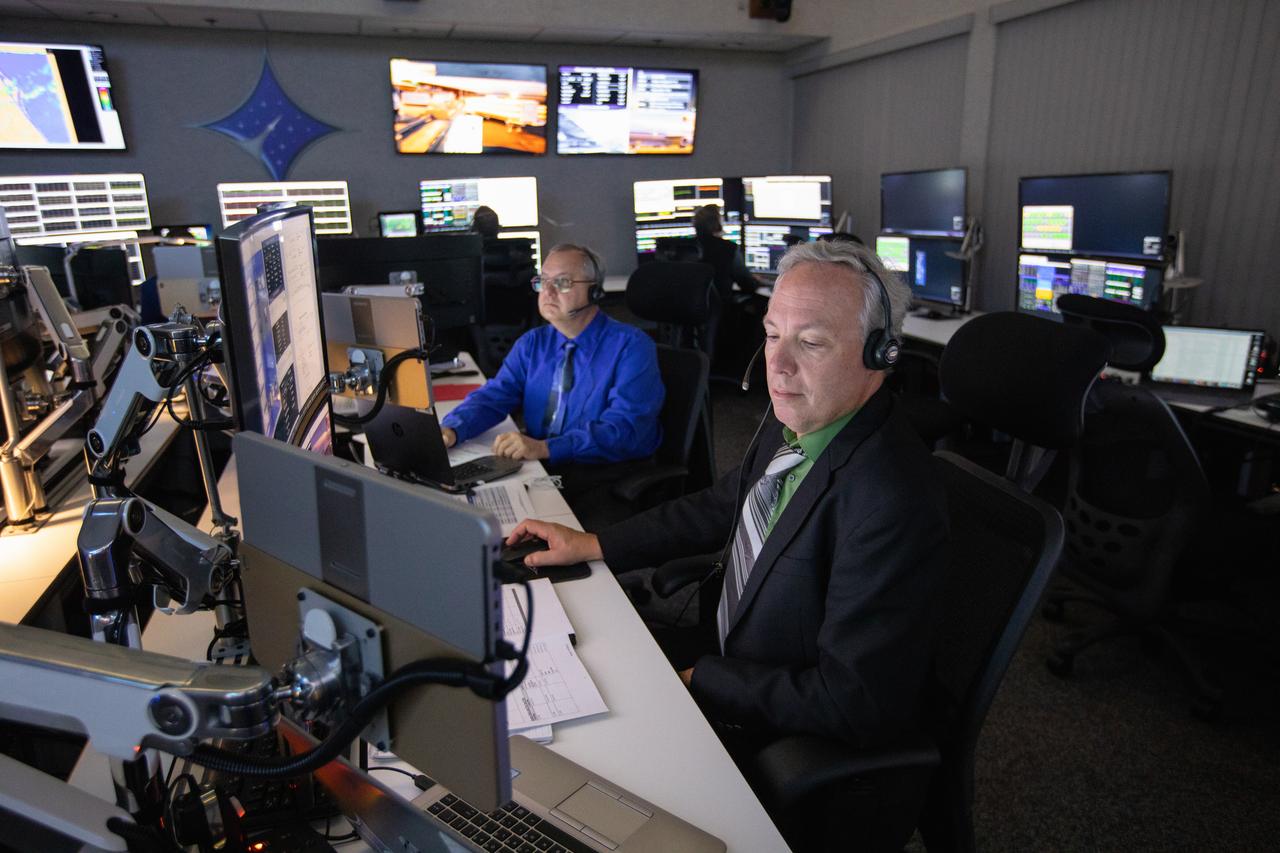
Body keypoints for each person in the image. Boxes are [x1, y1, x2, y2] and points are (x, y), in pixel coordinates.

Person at [507, 238, 949, 754]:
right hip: (721, 652)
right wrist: (594, 543)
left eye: (810, 343)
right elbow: (721, 505)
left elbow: (854, 700)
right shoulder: (800, 419)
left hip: (764, 719)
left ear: (881, 352)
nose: (776, 366)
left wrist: (701, 680)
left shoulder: (891, 500)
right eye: (771, 335)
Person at [440, 243, 664, 491]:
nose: (547, 291)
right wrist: (452, 428)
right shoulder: (533, 343)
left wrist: (546, 448)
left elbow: (624, 430)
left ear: (594, 291)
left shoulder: (631, 347)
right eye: (542, 280)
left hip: (604, 474)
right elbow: (495, 395)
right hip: (544, 465)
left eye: (562, 282)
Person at [691, 203, 760, 300]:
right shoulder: (728, 248)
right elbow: (747, 285)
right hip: (718, 310)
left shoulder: (683, 247)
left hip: (684, 311)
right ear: (717, 224)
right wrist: (756, 281)